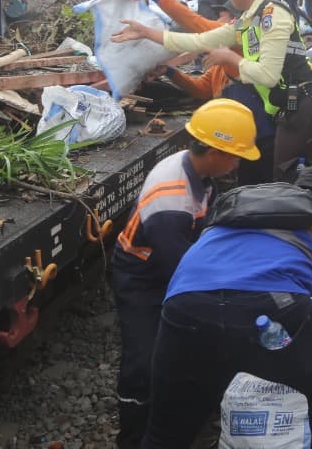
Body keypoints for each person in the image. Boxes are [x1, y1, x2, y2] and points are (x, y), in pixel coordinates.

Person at [139, 178, 312, 448]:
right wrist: (304, 367)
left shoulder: (220, 225)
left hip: (186, 309)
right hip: (274, 310)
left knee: (166, 434)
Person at [110, 98, 258, 449]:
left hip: (167, 261)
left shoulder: (201, 175)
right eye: (235, 154)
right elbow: (181, 273)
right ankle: (132, 435)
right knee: (144, 361)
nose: (238, 162)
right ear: (214, 151)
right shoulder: (172, 200)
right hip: (141, 277)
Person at [113, 0, 312, 182]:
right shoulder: (248, 20)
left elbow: (268, 76)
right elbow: (199, 40)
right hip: (293, 110)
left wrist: (230, 57)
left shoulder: (273, 13)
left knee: (283, 182)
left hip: (304, 110)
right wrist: (146, 32)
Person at [130, 0, 276, 185]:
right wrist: (170, 72)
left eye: (223, 18)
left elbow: (197, 24)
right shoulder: (220, 66)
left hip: (258, 140)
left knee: (257, 186)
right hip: (236, 141)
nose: (218, 22)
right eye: (217, 17)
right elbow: (201, 89)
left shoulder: (242, 42)